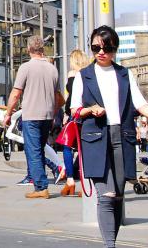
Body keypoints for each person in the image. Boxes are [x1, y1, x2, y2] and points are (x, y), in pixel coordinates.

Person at [75, 25, 148, 248]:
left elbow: (141, 105)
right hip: (95, 138)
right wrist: (90, 109)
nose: (101, 52)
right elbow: (74, 110)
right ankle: (109, 245)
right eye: (96, 48)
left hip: (122, 137)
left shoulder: (124, 74)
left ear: (115, 49)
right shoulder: (83, 76)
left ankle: (111, 240)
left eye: (107, 48)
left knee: (119, 196)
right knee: (106, 195)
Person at [3, 35, 63, 199]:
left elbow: (16, 94)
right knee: (39, 149)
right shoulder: (52, 69)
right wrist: (53, 114)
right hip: (47, 116)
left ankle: (41, 187)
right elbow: (58, 97)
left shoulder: (26, 67)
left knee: (33, 151)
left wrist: (8, 114)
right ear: (42, 49)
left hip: (31, 115)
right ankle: (41, 182)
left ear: (29, 49)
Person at [60, 49, 89, 197]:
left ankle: (70, 180)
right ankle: (86, 181)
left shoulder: (73, 74)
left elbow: (72, 97)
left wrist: (66, 113)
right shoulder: (90, 73)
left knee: (67, 147)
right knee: (85, 148)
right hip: (87, 114)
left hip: (74, 114)